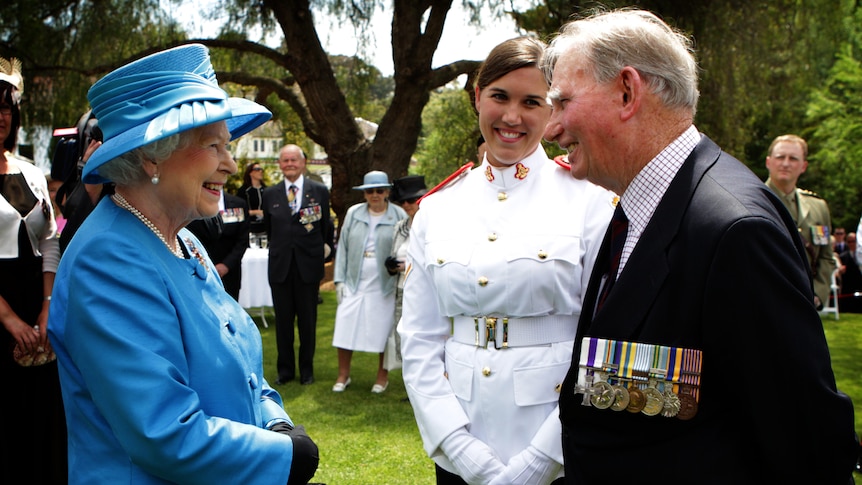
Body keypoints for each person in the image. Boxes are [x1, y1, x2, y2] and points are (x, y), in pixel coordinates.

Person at [541, 9, 858, 483]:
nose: (551, 129)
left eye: (562, 102)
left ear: (627, 91)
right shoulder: (642, 205)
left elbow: (804, 438)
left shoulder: (734, 228)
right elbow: (677, 385)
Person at [47, 44, 319, 484]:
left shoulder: (184, 240)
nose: (230, 165)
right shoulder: (108, 262)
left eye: (227, 146)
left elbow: (242, 370)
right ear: (153, 155)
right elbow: (164, 433)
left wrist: (274, 422)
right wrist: (284, 457)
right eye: (213, 145)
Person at [399, 36, 615, 485]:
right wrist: (457, 447)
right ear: (477, 97)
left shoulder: (590, 201)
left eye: (532, 101)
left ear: (553, 111)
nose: (512, 117)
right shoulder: (438, 209)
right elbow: (419, 338)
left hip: (556, 444)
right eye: (499, 96)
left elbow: (604, 340)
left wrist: (541, 461)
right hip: (460, 441)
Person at [0, 56, 67, 484]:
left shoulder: (29, 170)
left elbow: (49, 240)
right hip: (1, 311)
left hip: (37, 307)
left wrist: (45, 307)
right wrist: (9, 319)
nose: (1, 116)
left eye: (7, 106)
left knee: (43, 416)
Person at [263, 144, 334, 385]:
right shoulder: (270, 194)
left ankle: (307, 371)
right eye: (285, 160)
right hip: (280, 267)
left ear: (303, 163)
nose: (290, 164)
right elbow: (268, 230)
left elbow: (326, 228)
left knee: (307, 322)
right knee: (283, 323)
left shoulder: (319, 191)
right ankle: (285, 371)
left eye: (294, 159)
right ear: (280, 164)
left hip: (307, 268)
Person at [332, 170, 407, 393]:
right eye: (370, 191)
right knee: (345, 326)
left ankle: (381, 376)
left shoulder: (399, 215)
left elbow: (404, 246)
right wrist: (339, 280)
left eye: (380, 190)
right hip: (355, 278)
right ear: (364, 194)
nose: (375, 195)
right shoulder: (354, 213)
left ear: (387, 192)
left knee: (383, 328)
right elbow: (342, 247)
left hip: (384, 282)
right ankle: (343, 375)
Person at [765, 134, 836, 309]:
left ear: (803, 166)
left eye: (793, 158)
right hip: (765, 300)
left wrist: (818, 293)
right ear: (768, 162)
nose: (786, 163)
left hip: (806, 302)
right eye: (780, 157)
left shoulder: (818, 207)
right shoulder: (750, 200)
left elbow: (826, 256)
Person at [382, 174, 427, 372]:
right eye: (403, 201)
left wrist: (408, 265)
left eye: (411, 200)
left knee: (424, 338)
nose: (407, 205)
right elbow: (394, 255)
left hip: (425, 292)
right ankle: (410, 380)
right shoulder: (400, 227)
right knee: (403, 336)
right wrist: (391, 265)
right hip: (401, 289)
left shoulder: (431, 226)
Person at [186, 189, 251, 300]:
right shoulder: (189, 203)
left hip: (230, 273)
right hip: (198, 271)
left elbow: (242, 240)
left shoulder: (238, 204)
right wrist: (203, 264)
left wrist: (226, 265)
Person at [238, 161, 266, 237]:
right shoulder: (244, 191)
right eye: (257, 169)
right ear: (250, 173)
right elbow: (240, 211)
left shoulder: (266, 190)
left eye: (261, 169)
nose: (260, 171)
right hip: (250, 228)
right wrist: (256, 212)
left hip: (265, 228)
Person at [838, 232, 862, 312]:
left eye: (854, 241)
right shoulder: (843, 256)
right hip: (848, 288)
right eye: (849, 242)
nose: (852, 244)